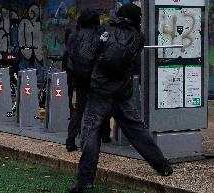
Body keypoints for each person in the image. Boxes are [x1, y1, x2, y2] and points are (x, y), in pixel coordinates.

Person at [69, 4, 173, 193]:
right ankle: (162, 165)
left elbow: (90, 55)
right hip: (121, 93)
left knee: (91, 132)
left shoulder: (105, 30)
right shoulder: (138, 37)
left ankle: (85, 179)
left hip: (99, 90)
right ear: (135, 18)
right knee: (137, 131)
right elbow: (131, 64)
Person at [65, 9, 111, 152]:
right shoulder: (101, 35)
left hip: (79, 78)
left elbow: (69, 58)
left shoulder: (74, 36)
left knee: (79, 109)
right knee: (102, 108)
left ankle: (70, 140)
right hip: (97, 78)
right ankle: (104, 135)